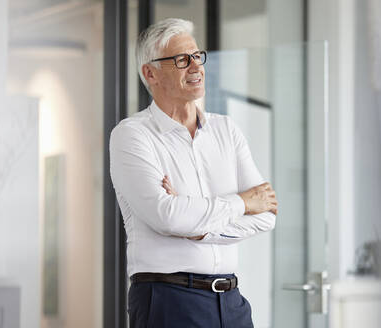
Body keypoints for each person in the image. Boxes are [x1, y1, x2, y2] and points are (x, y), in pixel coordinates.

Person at [110, 17, 278, 328]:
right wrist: (241, 203)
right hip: (168, 300)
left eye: (197, 56)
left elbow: (267, 212)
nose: (196, 67)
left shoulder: (226, 130)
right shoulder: (132, 135)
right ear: (150, 72)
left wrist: (200, 228)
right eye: (181, 60)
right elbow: (168, 216)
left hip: (232, 302)